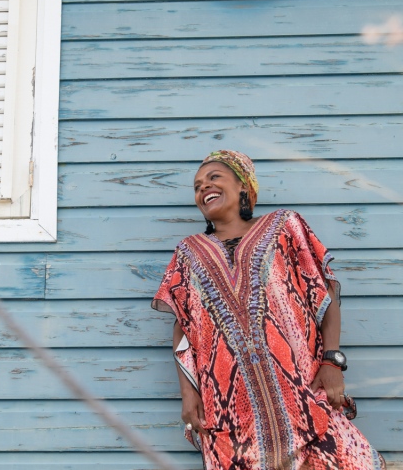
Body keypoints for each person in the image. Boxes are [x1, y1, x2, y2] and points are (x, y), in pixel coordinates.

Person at [152, 150, 385, 470]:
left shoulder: (284, 226)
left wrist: (332, 361)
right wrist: (188, 394)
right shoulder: (188, 253)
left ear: (244, 187)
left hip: (300, 392)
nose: (203, 187)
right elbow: (184, 324)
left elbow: (323, 290)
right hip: (230, 412)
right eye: (197, 186)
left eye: (214, 177)